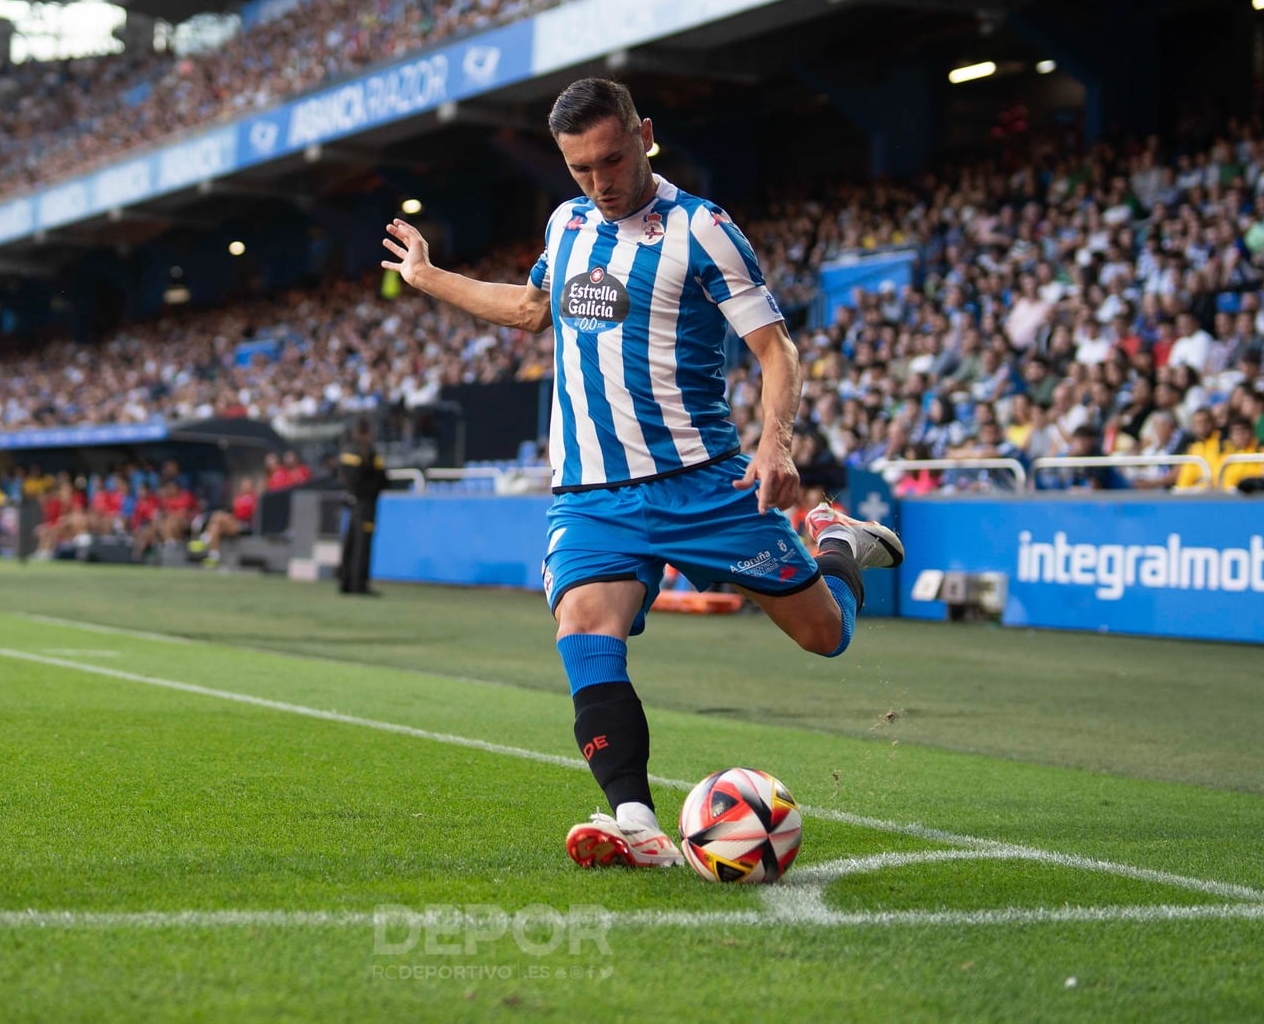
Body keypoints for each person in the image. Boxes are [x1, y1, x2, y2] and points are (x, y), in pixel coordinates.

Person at [383, 77, 901, 870]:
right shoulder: (568, 222)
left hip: (703, 484)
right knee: (585, 628)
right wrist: (429, 278)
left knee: (823, 636)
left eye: (613, 159)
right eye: (581, 167)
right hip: (594, 492)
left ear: (645, 134)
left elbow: (776, 350)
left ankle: (833, 542)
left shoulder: (705, 230)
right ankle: (634, 820)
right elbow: (531, 310)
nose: (601, 181)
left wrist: (776, 446)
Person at [336, 421, 387, 595]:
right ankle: (359, 584)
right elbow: (382, 479)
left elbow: (344, 477)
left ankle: (346, 582)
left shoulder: (346, 451)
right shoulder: (368, 453)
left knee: (350, 542)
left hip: (351, 501)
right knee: (362, 544)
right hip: (365, 502)